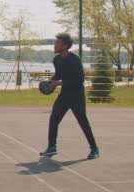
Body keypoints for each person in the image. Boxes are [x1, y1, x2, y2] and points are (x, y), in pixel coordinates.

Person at [40, 32, 99, 160]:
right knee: (54, 118)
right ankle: (51, 147)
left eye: (57, 43)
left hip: (77, 95)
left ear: (65, 45)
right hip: (65, 94)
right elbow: (59, 75)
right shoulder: (57, 59)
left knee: (82, 122)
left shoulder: (74, 59)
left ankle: (94, 148)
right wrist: (51, 82)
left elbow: (79, 80)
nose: (54, 45)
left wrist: (59, 82)